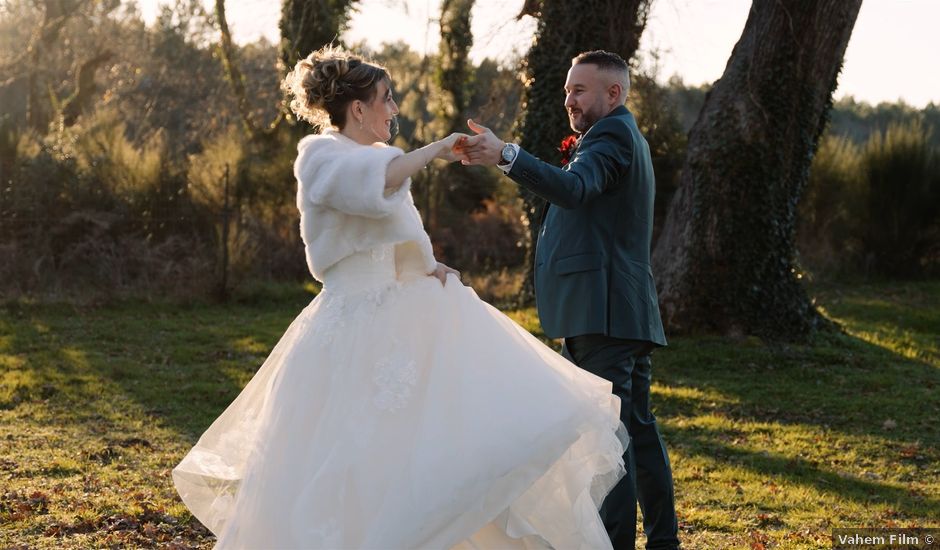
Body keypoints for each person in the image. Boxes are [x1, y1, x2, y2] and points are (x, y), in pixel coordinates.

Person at [172, 45, 628, 549]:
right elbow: (369, 188)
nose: (393, 110)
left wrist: (429, 266)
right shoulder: (322, 155)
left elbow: (394, 236)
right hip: (349, 320)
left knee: (434, 443)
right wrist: (433, 150)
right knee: (348, 452)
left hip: (398, 309)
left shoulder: (381, 159)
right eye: (386, 100)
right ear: (359, 108)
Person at [457, 50, 681, 550]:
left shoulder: (612, 136)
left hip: (601, 313)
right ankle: (665, 542)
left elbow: (576, 189)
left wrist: (507, 156)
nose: (568, 100)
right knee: (636, 434)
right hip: (616, 311)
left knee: (611, 443)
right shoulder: (616, 136)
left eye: (579, 90)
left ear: (613, 93)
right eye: (566, 90)